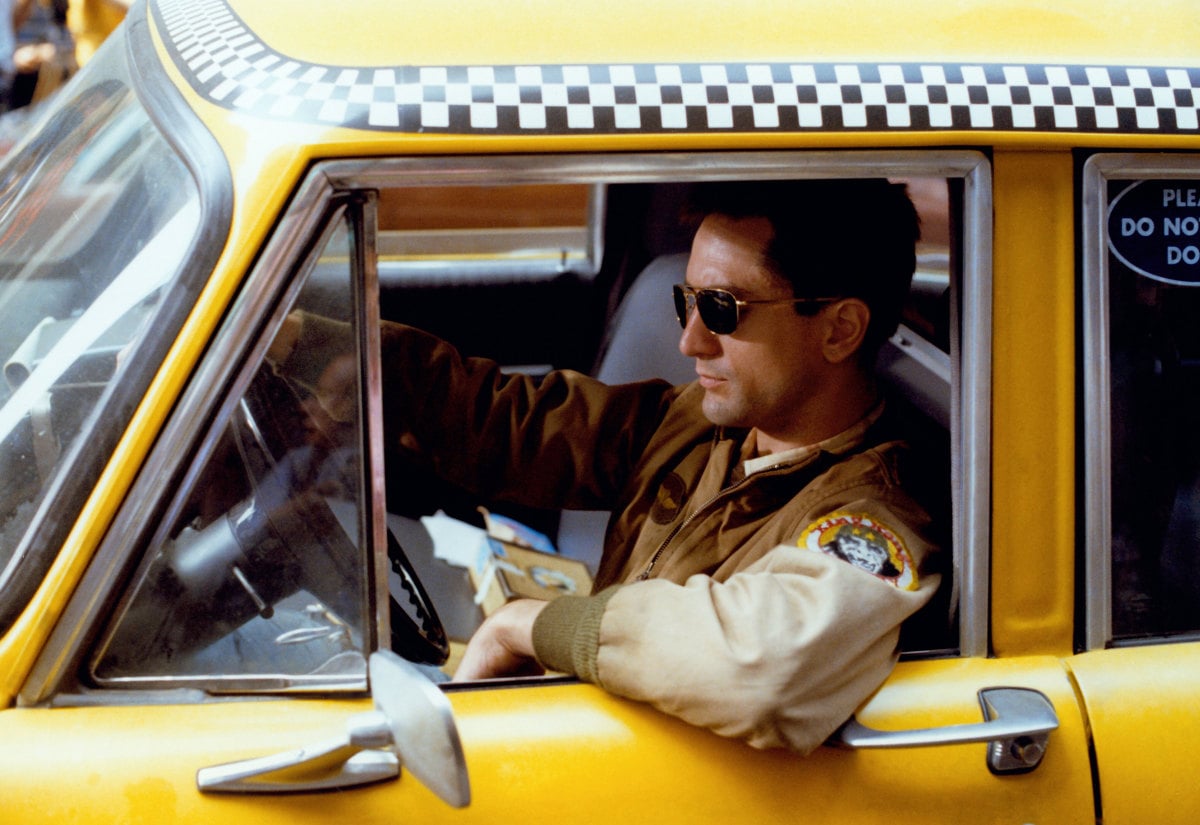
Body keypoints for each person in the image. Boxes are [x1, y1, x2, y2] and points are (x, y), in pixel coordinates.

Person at [273, 179, 944, 754]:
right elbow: (514, 424)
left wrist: (533, 624)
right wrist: (304, 346)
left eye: (722, 309)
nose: (689, 340)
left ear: (840, 329)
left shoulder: (873, 519)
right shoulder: (705, 424)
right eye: (687, 301)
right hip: (589, 728)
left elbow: (762, 665)